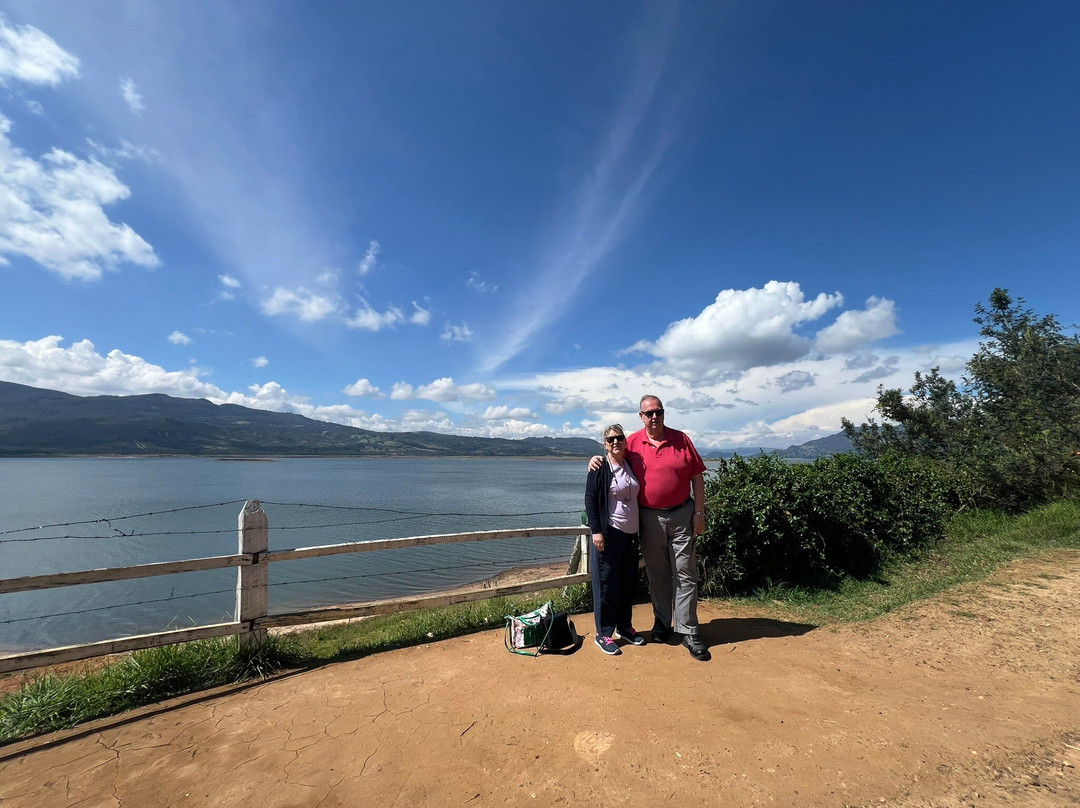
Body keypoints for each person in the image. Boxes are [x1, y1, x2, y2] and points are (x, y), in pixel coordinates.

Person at [589, 395, 709, 661]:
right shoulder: (630, 441)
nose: (654, 417)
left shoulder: (682, 439)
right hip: (649, 519)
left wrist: (699, 512)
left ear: (664, 414)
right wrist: (594, 461)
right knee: (658, 575)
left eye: (659, 412)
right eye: (649, 413)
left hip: (682, 515)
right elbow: (613, 456)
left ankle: (689, 630)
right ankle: (662, 624)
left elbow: (697, 477)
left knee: (686, 573)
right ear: (641, 417)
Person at [584, 424, 646, 656]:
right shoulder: (599, 467)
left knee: (627, 583)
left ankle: (624, 627)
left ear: (625, 441)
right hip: (610, 534)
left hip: (631, 535)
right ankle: (603, 633)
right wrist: (597, 531)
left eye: (619, 438)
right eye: (610, 440)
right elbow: (590, 500)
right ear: (605, 444)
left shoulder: (629, 464)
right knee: (606, 585)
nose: (615, 442)